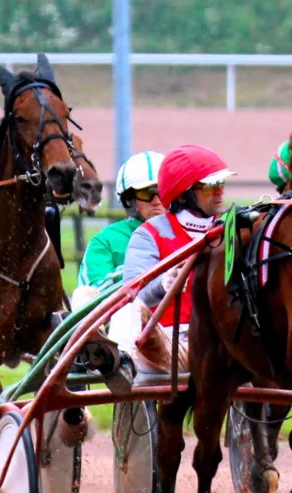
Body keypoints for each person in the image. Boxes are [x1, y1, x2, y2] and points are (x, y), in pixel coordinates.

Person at [121, 144, 234, 373]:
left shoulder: (232, 229)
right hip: (167, 343)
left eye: (221, 183)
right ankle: (122, 364)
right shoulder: (148, 234)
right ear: (183, 195)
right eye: (211, 186)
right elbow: (132, 297)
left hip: (225, 340)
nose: (220, 192)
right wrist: (164, 284)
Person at [70, 151, 165, 310]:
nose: (156, 201)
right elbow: (92, 293)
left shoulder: (188, 231)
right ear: (130, 199)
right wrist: (140, 268)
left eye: (161, 192)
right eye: (146, 193)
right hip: (130, 322)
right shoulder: (105, 241)